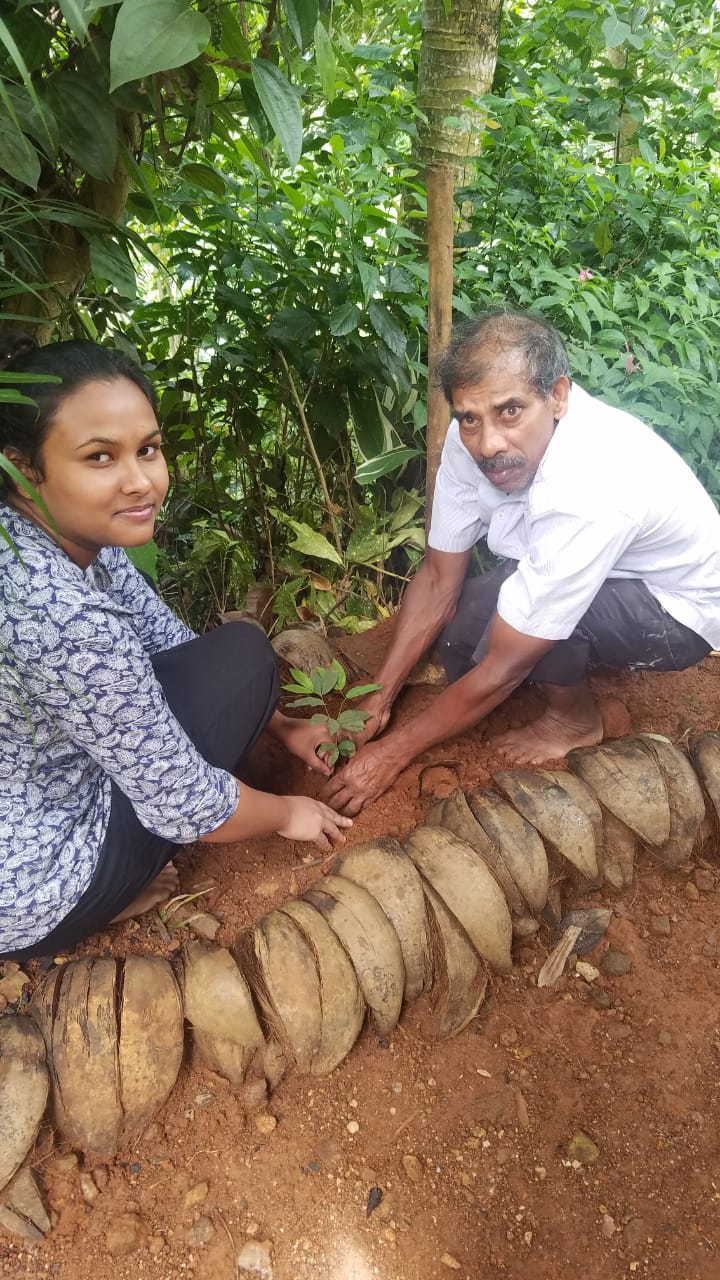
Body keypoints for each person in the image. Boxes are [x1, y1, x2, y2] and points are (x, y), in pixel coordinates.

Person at [0, 338, 351, 960]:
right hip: (30, 887)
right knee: (246, 657)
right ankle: (103, 900)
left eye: (148, 449)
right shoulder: (65, 617)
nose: (141, 482)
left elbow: (165, 638)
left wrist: (281, 725)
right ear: (23, 468)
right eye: (100, 457)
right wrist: (286, 813)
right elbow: (186, 807)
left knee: (237, 657)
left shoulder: (55, 534)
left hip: (21, 799)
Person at [324, 307, 720, 816]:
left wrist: (391, 754)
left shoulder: (589, 485)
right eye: (470, 417)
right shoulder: (467, 444)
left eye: (510, 411)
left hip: (678, 609)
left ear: (557, 397)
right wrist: (375, 701)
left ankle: (576, 720)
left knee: (526, 640)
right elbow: (440, 578)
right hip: (596, 567)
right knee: (462, 641)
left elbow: (507, 665)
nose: (489, 443)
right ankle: (554, 664)